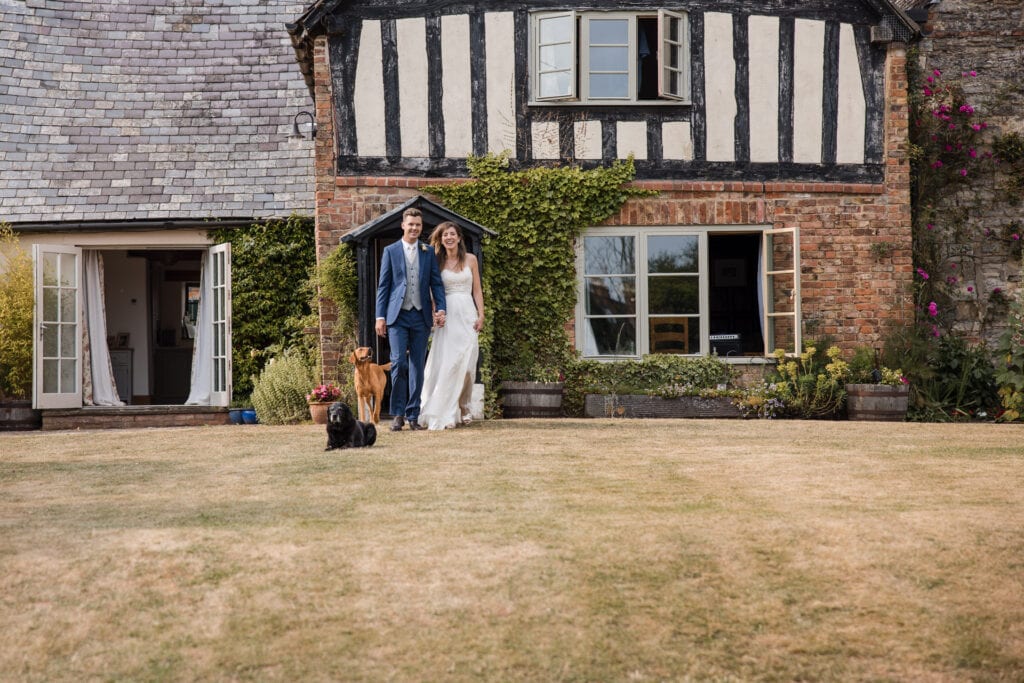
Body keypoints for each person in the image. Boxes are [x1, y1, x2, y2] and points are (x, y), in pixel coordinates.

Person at [375, 208, 447, 431]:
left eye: (418, 225)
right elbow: (384, 286)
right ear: (403, 225)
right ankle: (397, 414)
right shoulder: (391, 251)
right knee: (398, 363)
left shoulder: (428, 252)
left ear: (421, 227)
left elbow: (436, 284)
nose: (414, 228)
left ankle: (413, 414)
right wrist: (380, 316)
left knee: (417, 364)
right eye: (411, 224)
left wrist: (441, 308)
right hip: (397, 316)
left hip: (421, 315)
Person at [418, 221, 485, 430]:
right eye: (445, 235)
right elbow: (431, 291)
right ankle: (446, 408)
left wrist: (481, 314)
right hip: (446, 316)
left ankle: (464, 406)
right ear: (441, 239)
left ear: (459, 238)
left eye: (452, 234)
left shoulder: (471, 260)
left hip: (467, 313)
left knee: (468, 364)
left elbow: (477, 291)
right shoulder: (436, 262)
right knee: (448, 363)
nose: (449, 238)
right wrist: (434, 313)